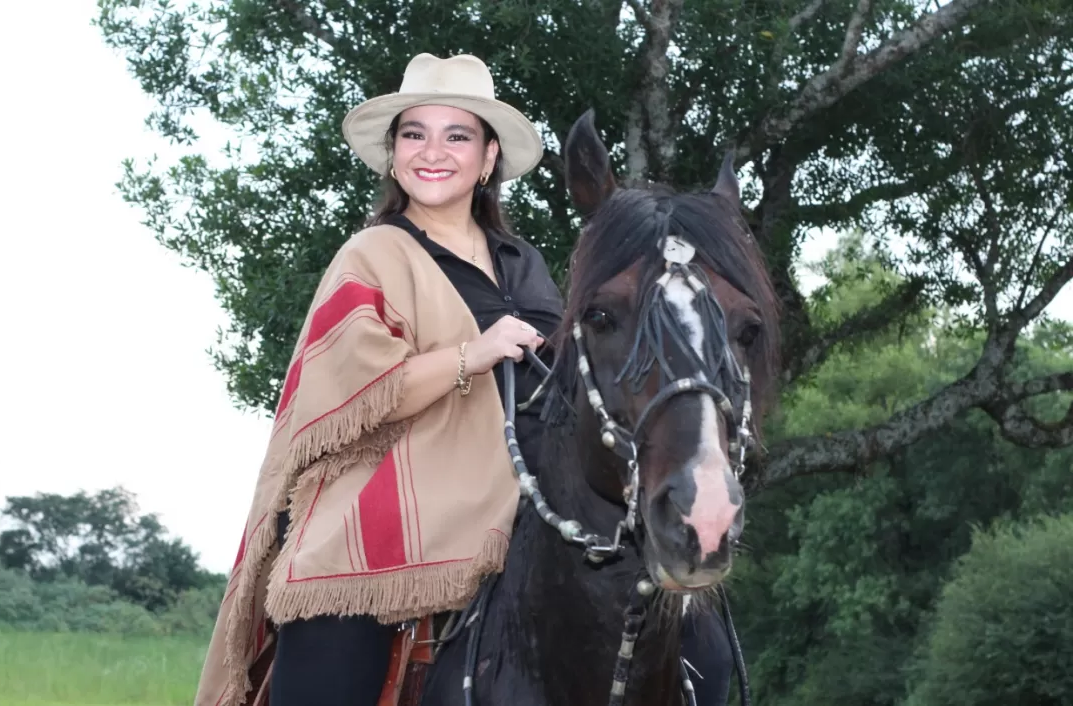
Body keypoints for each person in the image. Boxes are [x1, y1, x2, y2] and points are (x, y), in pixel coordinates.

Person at [194, 52, 733, 706]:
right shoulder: (371, 253)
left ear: (486, 161)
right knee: (334, 647)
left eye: (457, 136)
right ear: (393, 156)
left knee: (701, 643)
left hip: (522, 494)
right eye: (414, 134)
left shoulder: (524, 262)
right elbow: (338, 395)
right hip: (387, 505)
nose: (433, 151)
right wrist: (468, 357)